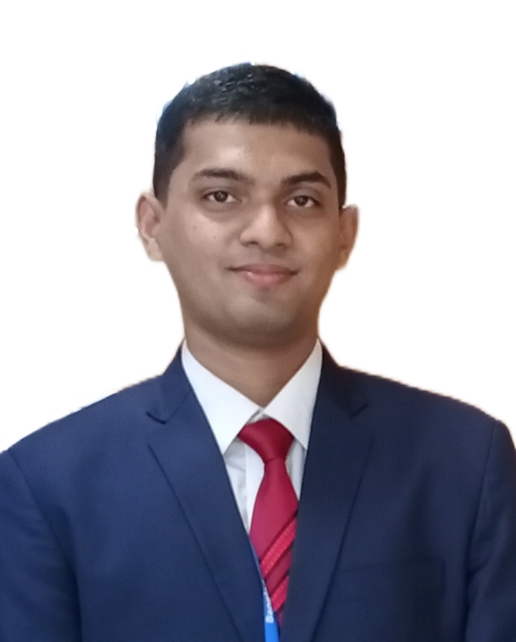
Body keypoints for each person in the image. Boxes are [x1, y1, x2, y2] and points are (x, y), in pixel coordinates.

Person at [1, 63, 515, 642]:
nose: (267, 231)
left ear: (344, 234)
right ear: (152, 224)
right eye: (221, 196)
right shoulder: (47, 485)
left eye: (302, 200)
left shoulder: (464, 462)